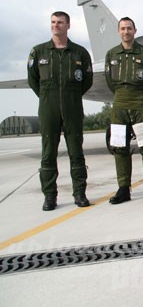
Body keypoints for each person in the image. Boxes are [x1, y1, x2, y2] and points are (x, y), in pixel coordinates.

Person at [27, 11, 93, 211]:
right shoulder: (38, 52)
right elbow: (33, 81)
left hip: (73, 108)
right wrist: (49, 97)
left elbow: (87, 82)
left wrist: (70, 96)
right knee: (48, 154)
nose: (56, 25)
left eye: (60, 22)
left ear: (68, 25)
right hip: (49, 109)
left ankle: (80, 193)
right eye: (53, 22)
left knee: (76, 152)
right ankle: (49, 196)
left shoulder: (80, 53)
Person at [105, 17, 143, 204]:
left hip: (140, 102)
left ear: (135, 30)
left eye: (129, 28)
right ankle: (123, 188)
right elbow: (110, 82)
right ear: (118, 31)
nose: (126, 32)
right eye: (123, 28)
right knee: (120, 147)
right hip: (120, 103)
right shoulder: (111, 54)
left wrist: (141, 94)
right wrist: (122, 94)